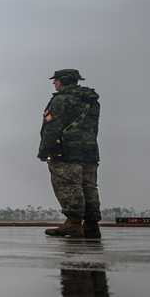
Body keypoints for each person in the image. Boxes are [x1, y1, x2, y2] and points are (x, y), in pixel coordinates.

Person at [39, 69, 102, 238]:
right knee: (89, 187)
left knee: (68, 186)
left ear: (63, 80)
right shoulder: (91, 101)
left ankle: (73, 224)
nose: (54, 83)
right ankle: (91, 225)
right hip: (89, 151)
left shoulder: (60, 100)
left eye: (56, 80)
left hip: (65, 151)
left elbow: (52, 128)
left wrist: (44, 150)